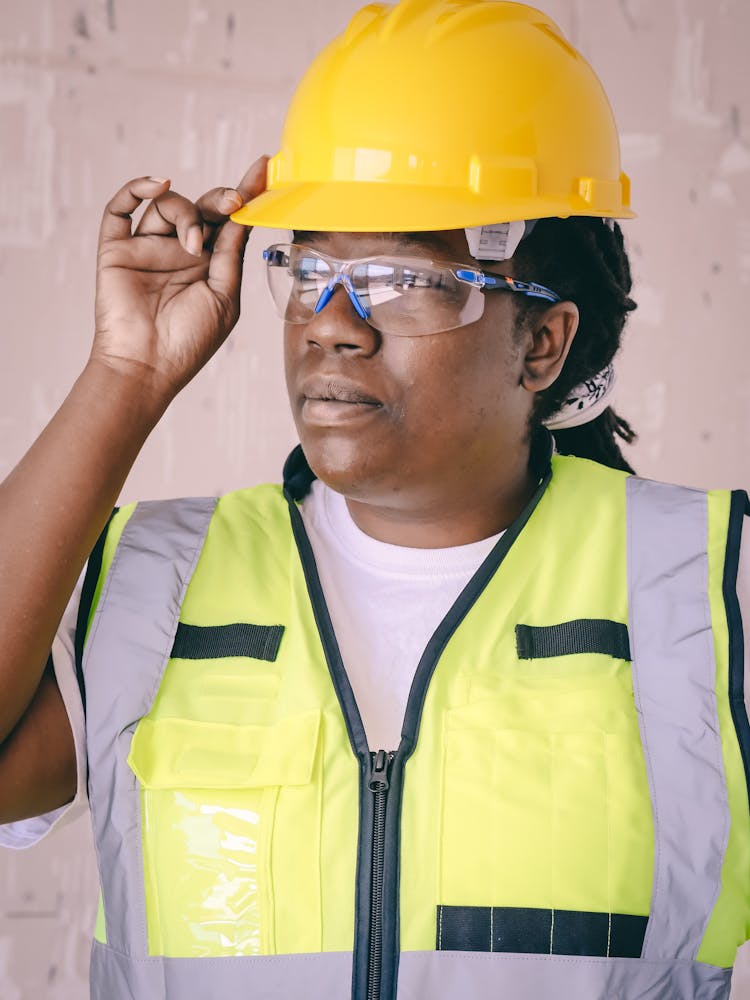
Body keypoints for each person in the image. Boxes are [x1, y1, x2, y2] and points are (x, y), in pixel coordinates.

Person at [0, 1, 748, 998]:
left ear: (542, 342)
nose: (334, 325)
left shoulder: (705, 592)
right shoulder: (152, 585)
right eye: (310, 270)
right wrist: (124, 376)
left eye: (402, 279)